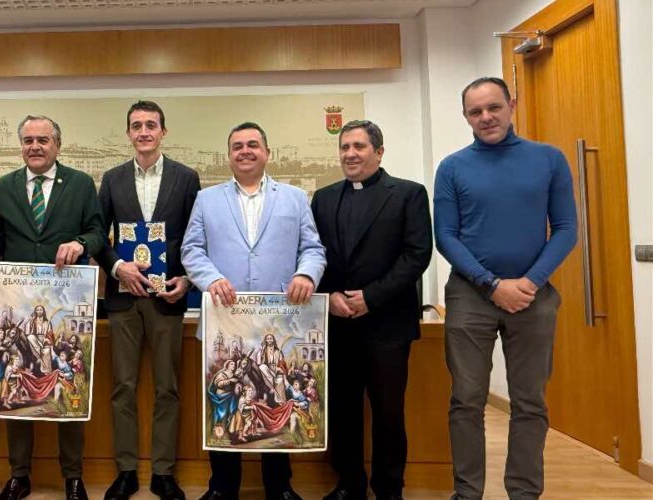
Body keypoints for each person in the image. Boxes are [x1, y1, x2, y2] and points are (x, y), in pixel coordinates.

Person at [434, 77, 577, 500]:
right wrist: (491, 284)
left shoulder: (548, 159)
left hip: (533, 297)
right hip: (469, 296)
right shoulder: (453, 167)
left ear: (511, 104)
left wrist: (530, 282)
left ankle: (524, 492)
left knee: (530, 402)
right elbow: (446, 236)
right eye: (475, 112)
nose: (486, 117)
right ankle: (467, 493)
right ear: (466, 117)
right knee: (466, 400)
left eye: (493, 107)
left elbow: (566, 228)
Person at [182, 122, 326, 500]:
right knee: (227, 402)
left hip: (276, 325)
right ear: (229, 155)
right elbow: (191, 250)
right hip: (224, 322)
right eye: (237, 146)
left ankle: (279, 487)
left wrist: (305, 274)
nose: (245, 151)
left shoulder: (294, 198)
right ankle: (222, 486)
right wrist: (210, 278)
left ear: (267, 152)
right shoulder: (207, 199)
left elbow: (313, 248)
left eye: (253, 145)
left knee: (272, 397)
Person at [0, 115, 105, 500]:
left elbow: (96, 231)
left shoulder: (80, 184)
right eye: (28, 140)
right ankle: (19, 474)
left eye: (42, 139)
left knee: (67, 385)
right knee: (17, 385)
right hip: (18, 303)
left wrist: (81, 243)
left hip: (64, 301)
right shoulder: (4, 185)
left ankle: (73, 476)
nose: (35, 146)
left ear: (57, 145)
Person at [311, 120, 432, 500]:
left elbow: (417, 256)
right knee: (342, 412)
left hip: (387, 324)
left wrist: (370, 297)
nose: (350, 154)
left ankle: (389, 489)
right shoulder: (324, 197)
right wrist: (328, 294)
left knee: (388, 414)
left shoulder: (408, 194)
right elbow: (316, 254)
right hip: (338, 323)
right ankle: (348, 484)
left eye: (359, 147)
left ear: (379, 152)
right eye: (345, 147)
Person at [94, 100, 201, 500]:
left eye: (151, 125)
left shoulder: (186, 178)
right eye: (136, 125)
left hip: (166, 298)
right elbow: (97, 235)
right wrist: (118, 265)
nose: (144, 131)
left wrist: (187, 278)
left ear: (163, 132)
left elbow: (196, 238)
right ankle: (125, 471)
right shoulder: (112, 178)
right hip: (122, 299)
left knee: (167, 388)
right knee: (122, 387)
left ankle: (163, 472)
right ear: (128, 133)